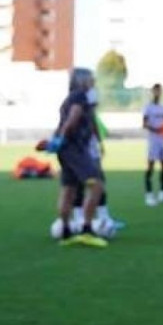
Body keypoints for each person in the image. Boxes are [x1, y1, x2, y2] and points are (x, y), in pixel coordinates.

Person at [52, 67, 108, 247]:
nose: (93, 82)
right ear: (82, 80)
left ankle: (66, 232)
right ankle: (86, 229)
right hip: (74, 148)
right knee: (97, 183)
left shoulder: (73, 97)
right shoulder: (80, 96)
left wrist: (59, 140)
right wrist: (63, 136)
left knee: (69, 189)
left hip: (67, 149)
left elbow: (89, 122)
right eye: (91, 79)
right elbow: (73, 117)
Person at [142, 83, 163, 205]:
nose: (158, 93)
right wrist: (156, 129)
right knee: (150, 166)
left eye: (159, 91)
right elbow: (144, 124)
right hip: (153, 140)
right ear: (152, 92)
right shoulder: (148, 107)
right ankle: (149, 195)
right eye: (156, 91)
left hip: (162, 140)